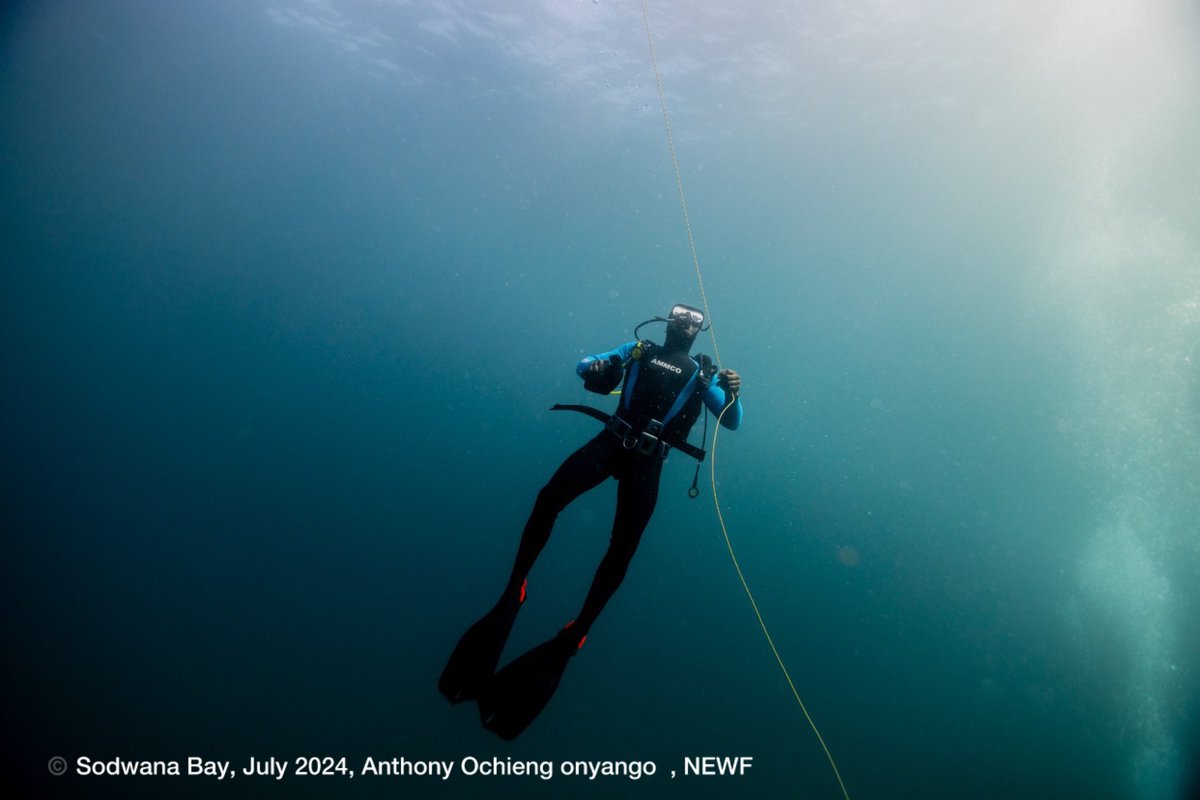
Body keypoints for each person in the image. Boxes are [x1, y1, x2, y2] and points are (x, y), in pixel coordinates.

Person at [438, 303, 743, 739]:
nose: (685, 321)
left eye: (693, 319)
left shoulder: (702, 374)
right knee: (549, 499)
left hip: (648, 463)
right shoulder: (639, 348)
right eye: (680, 313)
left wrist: (734, 390)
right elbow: (585, 364)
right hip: (610, 441)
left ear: (699, 330)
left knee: (623, 549)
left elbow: (730, 420)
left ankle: (578, 630)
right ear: (667, 319)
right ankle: (515, 589)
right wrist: (600, 365)